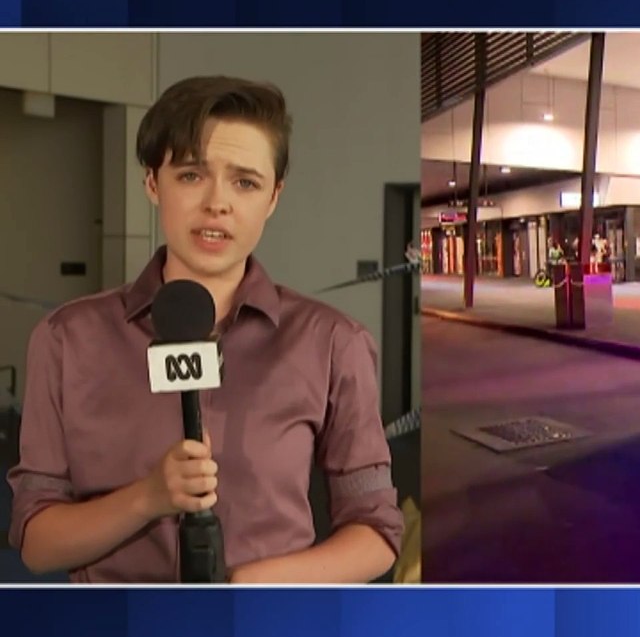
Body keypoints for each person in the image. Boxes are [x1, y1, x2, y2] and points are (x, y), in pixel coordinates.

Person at [6, 76, 403, 583]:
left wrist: (254, 586)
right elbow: (37, 543)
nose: (218, 203)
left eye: (246, 182)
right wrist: (147, 498)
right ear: (153, 182)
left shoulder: (332, 342)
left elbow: (377, 531)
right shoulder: (67, 338)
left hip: (264, 624)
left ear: (274, 196)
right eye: (192, 175)